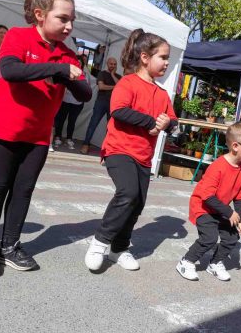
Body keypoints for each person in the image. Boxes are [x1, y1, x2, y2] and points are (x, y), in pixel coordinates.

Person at [0, 0, 92, 277]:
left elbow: (85, 93)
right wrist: (57, 69)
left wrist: (67, 74)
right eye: (62, 18)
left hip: (38, 134)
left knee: (23, 190)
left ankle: (10, 245)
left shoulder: (67, 53)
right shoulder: (18, 36)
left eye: (72, 20)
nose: (68, 26)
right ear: (40, 14)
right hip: (2, 127)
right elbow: (11, 71)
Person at [84, 28, 178, 272]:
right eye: (163, 57)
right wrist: (151, 122)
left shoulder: (163, 93)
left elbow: (172, 121)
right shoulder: (127, 82)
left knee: (137, 203)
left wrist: (169, 124)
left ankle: (119, 249)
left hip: (144, 157)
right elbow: (118, 110)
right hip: (119, 149)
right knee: (127, 194)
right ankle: (99, 242)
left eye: (168, 59)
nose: (167, 63)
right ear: (145, 57)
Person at [176, 123, 241, 281]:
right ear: (235, 146)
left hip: (221, 209)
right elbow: (207, 196)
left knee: (232, 237)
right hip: (204, 207)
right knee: (209, 238)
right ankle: (186, 262)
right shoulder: (218, 167)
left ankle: (214, 263)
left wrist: (240, 219)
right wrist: (229, 212)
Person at [80, 57, 121, 154]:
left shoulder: (118, 76)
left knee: (111, 128)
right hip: (101, 102)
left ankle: (107, 149)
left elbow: (120, 87)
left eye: (114, 64)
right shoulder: (102, 74)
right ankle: (86, 144)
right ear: (107, 64)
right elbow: (101, 87)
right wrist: (114, 87)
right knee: (93, 124)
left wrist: (112, 75)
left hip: (113, 104)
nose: (113, 66)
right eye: (111, 64)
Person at [53, 55, 91, 149]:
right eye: (76, 62)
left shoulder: (85, 74)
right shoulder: (67, 72)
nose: (77, 64)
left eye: (80, 63)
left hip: (77, 103)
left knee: (72, 121)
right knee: (61, 119)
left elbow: (87, 87)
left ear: (82, 64)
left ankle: (69, 139)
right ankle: (58, 137)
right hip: (65, 100)